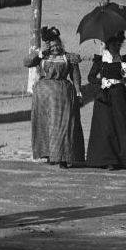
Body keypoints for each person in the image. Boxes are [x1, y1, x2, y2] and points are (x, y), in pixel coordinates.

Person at [24, 26, 84, 167]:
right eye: (52, 46)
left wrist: (78, 92)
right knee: (46, 126)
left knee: (63, 126)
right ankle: (50, 154)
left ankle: (63, 158)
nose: (55, 48)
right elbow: (27, 62)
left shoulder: (68, 57)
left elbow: (76, 76)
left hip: (63, 96)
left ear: (60, 44)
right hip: (44, 97)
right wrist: (40, 54)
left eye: (57, 45)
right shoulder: (42, 56)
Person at [84, 35, 126, 169]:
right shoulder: (101, 60)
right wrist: (101, 81)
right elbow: (91, 77)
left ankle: (124, 160)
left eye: (118, 45)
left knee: (121, 124)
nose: (116, 47)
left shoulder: (123, 60)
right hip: (104, 95)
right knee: (105, 125)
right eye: (114, 45)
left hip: (119, 94)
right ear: (108, 45)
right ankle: (107, 159)